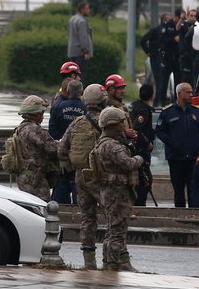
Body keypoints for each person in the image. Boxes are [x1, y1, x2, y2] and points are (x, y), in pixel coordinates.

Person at [58, 84, 107, 269]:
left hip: (80, 176)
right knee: (112, 215)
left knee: (87, 217)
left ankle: (88, 260)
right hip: (100, 176)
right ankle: (111, 258)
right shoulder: (106, 121)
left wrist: (71, 169)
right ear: (102, 100)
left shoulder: (77, 122)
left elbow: (62, 149)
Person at [93, 107, 144, 272]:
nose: (124, 125)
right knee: (117, 233)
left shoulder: (103, 142)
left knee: (111, 231)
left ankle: (108, 264)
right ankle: (112, 267)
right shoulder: (113, 146)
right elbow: (127, 164)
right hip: (118, 193)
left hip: (109, 192)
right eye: (122, 122)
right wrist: (139, 159)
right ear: (114, 125)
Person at [155, 82, 199, 208]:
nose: (191, 95)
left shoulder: (196, 112)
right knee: (178, 189)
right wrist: (173, 142)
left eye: (192, 92)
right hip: (176, 157)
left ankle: (194, 215)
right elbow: (159, 131)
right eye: (188, 92)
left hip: (192, 157)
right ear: (179, 94)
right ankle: (180, 214)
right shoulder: (167, 112)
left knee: (193, 188)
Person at [15, 95, 59, 201]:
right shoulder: (35, 130)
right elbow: (53, 148)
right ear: (37, 113)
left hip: (23, 176)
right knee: (42, 208)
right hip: (36, 178)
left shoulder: (20, 128)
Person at [49, 79, 86, 204]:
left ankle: (58, 212)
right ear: (81, 92)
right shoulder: (86, 108)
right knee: (79, 186)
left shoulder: (58, 107)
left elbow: (52, 132)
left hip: (62, 154)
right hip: (80, 153)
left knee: (61, 184)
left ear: (68, 91)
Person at [141, 13, 178, 107]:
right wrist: (149, 52)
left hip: (169, 59)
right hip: (157, 58)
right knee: (159, 82)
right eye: (168, 20)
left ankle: (165, 101)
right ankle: (158, 103)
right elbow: (143, 40)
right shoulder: (156, 30)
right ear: (163, 20)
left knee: (167, 82)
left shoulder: (174, 30)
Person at [130, 84, 156, 206]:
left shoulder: (134, 106)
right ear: (152, 95)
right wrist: (147, 143)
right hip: (141, 150)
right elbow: (137, 129)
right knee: (144, 180)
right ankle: (140, 206)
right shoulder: (143, 110)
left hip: (135, 149)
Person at [67, 2, 93, 77]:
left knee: (73, 74)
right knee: (80, 75)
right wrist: (86, 51)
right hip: (80, 53)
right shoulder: (82, 21)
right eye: (87, 9)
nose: (89, 11)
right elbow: (83, 37)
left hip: (72, 51)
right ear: (82, 9)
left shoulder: (72, 19)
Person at [177, 8, 197, 84]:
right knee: (185, 78)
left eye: (195, 16)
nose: (193, 18)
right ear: (188, 16)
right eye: (191, 15)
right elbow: (178, 28)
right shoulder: (184, 24)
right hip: (185, 57)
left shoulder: (198, 26)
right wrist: (181, 19)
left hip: (194, 56)